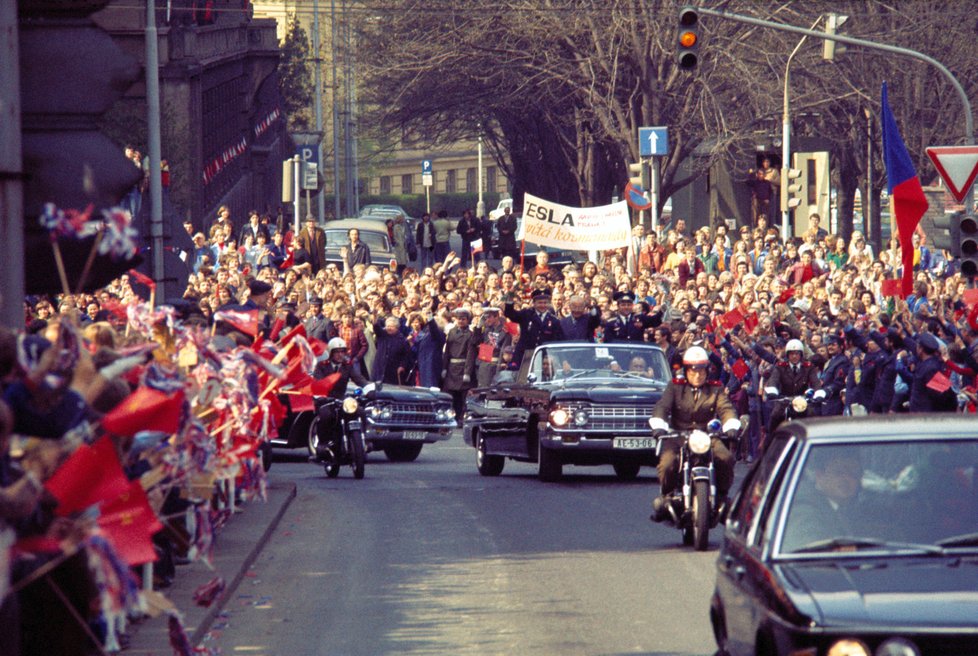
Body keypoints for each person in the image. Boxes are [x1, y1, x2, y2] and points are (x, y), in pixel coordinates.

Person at [648, 346, 740, 522]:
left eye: (701, 371)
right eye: (693, 371)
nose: (697, 375)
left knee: (725, 458)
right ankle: (667, 497)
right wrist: (659, 425)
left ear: (707, 371)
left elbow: (726, 408)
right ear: (686, 370)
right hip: (679, 436)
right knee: (668, 462)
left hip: (707, 437)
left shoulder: (716, 388)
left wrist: (731, 426)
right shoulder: (675, 387)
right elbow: (662, 406)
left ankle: (721, 496)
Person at [780, 449, 868, 552]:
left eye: (853, 474)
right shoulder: (805, 510)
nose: (846, 479)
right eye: (838, 472)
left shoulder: (844, 507)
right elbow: (807, 557)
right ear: (819, 476)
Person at [312, 337, 370, 461]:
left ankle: (363, 440)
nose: (340, 355)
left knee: (360, 412)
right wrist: (320, 394)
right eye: (336, 352)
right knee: (326, 415)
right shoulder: (322, 365)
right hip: (325, 399)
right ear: (331, 353)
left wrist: (369, 388)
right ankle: (323, 444)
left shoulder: (347, 366)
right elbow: (317, 381)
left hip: (341, 399)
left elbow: (358, 378)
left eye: (342, 351)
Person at [764, 339, 821, 432]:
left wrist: (819, 393)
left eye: (797, 353)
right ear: (787, 355)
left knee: (813, 415)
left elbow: (815, 382)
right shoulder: (780, 366)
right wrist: (772, 391)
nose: (794, 356)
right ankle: (769, 442)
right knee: (775, 415)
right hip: (784, 400)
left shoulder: (808, 367)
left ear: (801, 354)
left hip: (803, 401)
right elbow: (773, 380)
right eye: (791, 353)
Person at [504, 288, 565, 367]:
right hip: (524, 356)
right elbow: (510, 314)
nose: (542, 305)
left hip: (544, 358)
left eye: (545, 303)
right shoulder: (526, 314)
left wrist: (562, 360)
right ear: (534, 303)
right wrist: (510, 297)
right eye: (539, 303)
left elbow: (558, 341)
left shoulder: (554, 320)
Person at [443, 308, 477, 421]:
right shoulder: (452, 332)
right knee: (451, 395)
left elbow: (470, 354)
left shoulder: (470, 334)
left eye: (463, 319)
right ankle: (451, 417)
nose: (460, 321)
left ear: (467, 320)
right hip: (451, 368)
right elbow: (447, 351)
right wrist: (444, 367)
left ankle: (462, 418)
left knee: (463, 396)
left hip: (462, 368)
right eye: (458, 319)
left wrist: (467, 372)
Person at [473, 307, 512, 387]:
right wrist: (478, 327)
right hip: (483, 365)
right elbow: (475, 342)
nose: (487, 319)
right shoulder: (486, 329)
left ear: (497, 316)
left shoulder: (504, 331)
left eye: (489, 317)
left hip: (494, 366)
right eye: (486, 317)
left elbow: (503, 352)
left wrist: (498, 371)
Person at [370, 316, 412, 385]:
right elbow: (376, 328)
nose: (389, 328)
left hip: (392, 372)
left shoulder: (402, 340)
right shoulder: (382, 335)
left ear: (397, 327)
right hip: (379, 369)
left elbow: (406, 356)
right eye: (387, 326)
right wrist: (374, 320)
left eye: (392, 326)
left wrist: (402, 366)